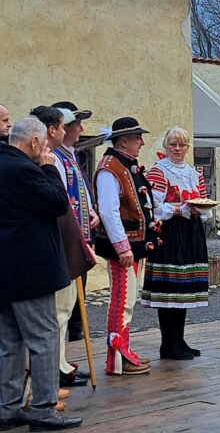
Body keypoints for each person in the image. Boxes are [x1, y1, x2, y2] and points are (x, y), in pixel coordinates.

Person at [0, 116, 82, 431]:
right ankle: (43, 410)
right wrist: (48, 168)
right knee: (44, 340)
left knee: (9, 342)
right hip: (30, 271)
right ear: (35, 142)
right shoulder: (23, 170)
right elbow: (57, 202)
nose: (45, 150)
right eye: (44, 146)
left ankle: (7, 409)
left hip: (5, 272)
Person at [30, 106, 91, 388]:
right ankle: (52, 369)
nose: (71, 130)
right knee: (58, 310)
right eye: (67, 125)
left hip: (70, 238)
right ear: (52, 129)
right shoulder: (49, 159)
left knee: (65, 309)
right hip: (60, 241)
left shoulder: (66, 156)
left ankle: (61, 363)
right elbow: (59, 200)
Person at [142, 127, 211, 360]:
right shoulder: (159, 172)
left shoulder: (194, 173)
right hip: (170, 232)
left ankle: (179, 339)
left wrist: (201, 209)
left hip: (190, 232)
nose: (178, 149)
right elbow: (153, 207)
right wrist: (180, 209)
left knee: (183, 288)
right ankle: (167, 343)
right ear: (165, 146)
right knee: (169, 287)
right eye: (173, 144)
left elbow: (202, 200)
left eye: (182, 145)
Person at [94, 117, 156, 376]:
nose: (141, 142)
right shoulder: (111, 168)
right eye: (137, 138)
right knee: (122, 302)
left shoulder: (124, 165)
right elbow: (108, 212)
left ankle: (122, 354)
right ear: (123, 141)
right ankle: (117, 358)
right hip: (123, 249)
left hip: (133, 246)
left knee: (128, 300)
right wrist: (122, 247)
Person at [51, 101, 96, 343]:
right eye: (77, 124)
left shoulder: (71, 155)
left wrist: (91, 211)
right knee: (64, 305)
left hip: (80, 239)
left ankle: (70, 356)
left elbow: (80, 191)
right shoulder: (55, 157)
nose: (80, 129)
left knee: (76, 303)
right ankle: (60, 363)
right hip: (67, 241)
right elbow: (61, 197)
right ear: (63, 128)